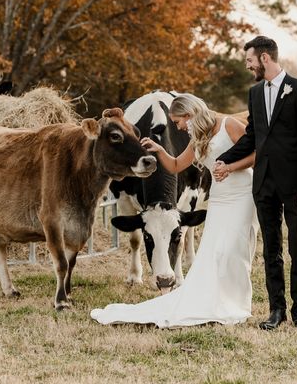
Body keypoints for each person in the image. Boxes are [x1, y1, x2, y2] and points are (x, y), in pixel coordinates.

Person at [90, 93, 258, 328]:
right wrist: (159, 149)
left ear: (190, 115)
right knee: (215, 251)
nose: (177, 127)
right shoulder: (196, 137)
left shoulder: (229, 124)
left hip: (241, 195)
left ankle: (238, 303)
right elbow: (176, 165)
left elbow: (257, 153)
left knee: (236, 250)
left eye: (179, 121)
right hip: (220, 199)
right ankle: (219, 300)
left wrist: (230, 166)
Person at [214, 36, 297, 331]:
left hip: (296, 185)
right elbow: (252, 137)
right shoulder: (255, 92)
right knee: (270, 249)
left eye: (249, 60)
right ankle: (276, 310)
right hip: (264, 184)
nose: (248, 66)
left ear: (264, 58)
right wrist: (223, 158)